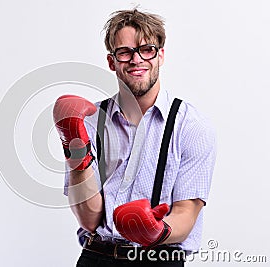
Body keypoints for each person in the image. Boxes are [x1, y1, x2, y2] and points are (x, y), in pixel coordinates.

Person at [53, 7, 216, 267]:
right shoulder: (90, 120)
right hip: (97, 258)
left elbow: (187, 214)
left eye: (147, 49)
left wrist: (156, 231)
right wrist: (77, 152)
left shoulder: (191, 126)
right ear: (112, 61)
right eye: (125, 52)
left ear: (160, 55)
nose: (136, 59)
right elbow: (89, 219)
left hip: (159, 259)